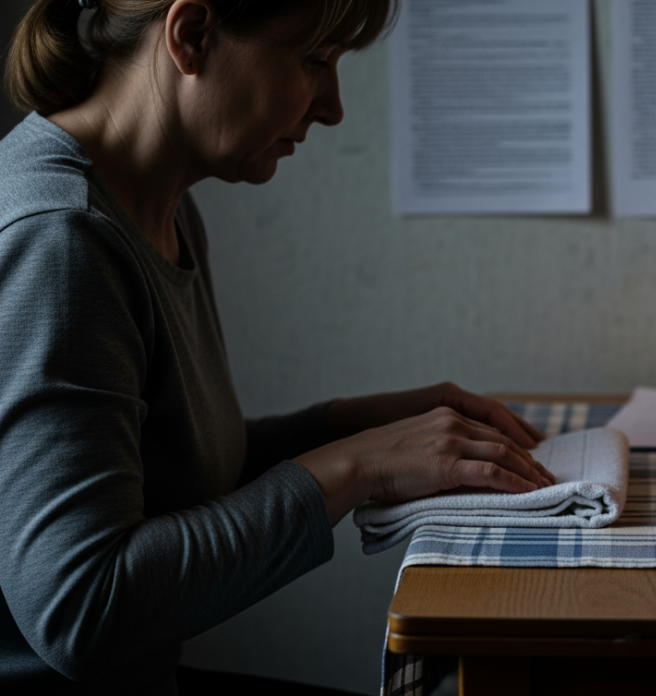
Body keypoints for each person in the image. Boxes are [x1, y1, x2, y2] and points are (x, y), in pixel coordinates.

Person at [0, 1, 556, 693]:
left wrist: (358, 426)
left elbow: (169, 470)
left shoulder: (155, 206)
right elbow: (80, 610)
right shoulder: (59, 240)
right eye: (315, 61)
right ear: (191, 36)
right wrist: (357, 469)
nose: (333, 109)